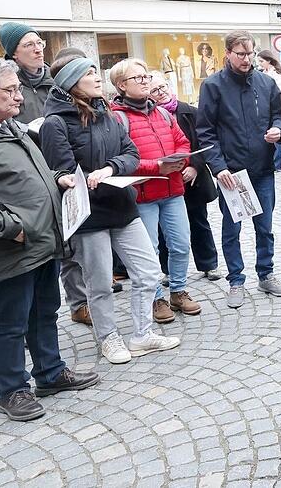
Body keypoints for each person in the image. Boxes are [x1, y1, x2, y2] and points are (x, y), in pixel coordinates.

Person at [39, 55, 180, 364]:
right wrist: (68, 178)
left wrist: (109, 168)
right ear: (73, 83)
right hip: (90, 216)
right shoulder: (56, 122)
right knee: (100, 282)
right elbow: (59, 170)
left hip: (122, 205)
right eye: (90, 73)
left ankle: (143, 334)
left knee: (148, 272)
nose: (97, 76)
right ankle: (108, 338)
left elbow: (130, 151)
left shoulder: (107, 114)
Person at [0, 56, 100, 421]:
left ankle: (49, 373)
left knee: (44, 311)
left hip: (42, 241)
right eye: (10, 90)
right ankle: (12, 390)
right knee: (10, 321)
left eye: (18, 88)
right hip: (10, 247)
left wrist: (56, 179)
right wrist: (11, 227)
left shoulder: (11, 127)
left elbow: (26, 174)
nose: (19, 96)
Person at [196, 30, 281, 308]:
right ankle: (236, 280)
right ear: (227, 53)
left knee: (265, 226)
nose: (247, 59)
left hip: (261, 169)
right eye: (240, 54)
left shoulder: (266, 82)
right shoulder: (212, 86)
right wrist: (218, 167)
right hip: (231, 173)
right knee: (231, 229)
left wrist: (278, 129)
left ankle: (266, 273)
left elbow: (279, 115)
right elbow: (206, 131)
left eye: (250, 53)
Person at [109, 59, 201, 323]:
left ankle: (179, 290)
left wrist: (180, 159)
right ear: (121, 85)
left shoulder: (162, 113)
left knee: (181, 244)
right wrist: (156, 166)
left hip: (172, 191)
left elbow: (182, 141)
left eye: (146, 76)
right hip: (142, 195)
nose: (145, 81)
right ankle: (155, 297)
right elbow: (118, 159)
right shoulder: (117, 118)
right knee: (149, 251)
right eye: (138, 78)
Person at [149, 72, 221, 282]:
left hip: (192, 180)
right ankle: (167, 270)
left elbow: (204, 142)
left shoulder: (190, 112)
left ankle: (209, 264)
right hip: (165, 179)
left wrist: (196, 167)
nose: (161, 92)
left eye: (163, 87)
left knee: (199, 222)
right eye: (155, 90)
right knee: (163, 229)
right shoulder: (151, 116)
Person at [0, 22, 53, 126]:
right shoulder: (2, 86)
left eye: (40, 43)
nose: (38, 49)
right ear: (14, 53)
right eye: (29, 45)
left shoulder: (57, 79)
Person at [257, 49, 281, 172]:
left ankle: (277, 163)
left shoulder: (276, 75)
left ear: (269, 61)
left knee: (275, 134)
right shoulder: (263, 72)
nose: (260, 64)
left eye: (262, 61)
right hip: (265, 109)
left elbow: (280, 94)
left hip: (275, 108)